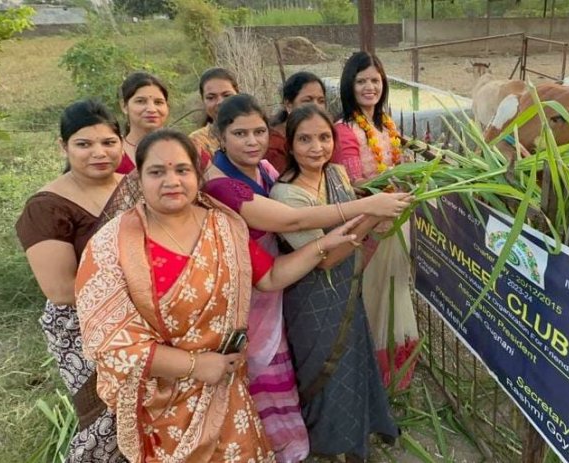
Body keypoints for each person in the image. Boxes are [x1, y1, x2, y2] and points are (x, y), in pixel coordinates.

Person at [75, 129, 362, 462]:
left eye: (182, 170)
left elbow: (269, 277)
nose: (171, 180)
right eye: (157, 171)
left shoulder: (224, 226)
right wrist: (195, 365)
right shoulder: (113, 245)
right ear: (139, 178)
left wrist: (324, 244)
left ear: (198, 175)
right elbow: (110, 341)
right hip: (162, 405)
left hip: (228, 392)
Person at [202, 93, 411, 462]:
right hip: (259, 292)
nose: (252, 141)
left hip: (286, 282)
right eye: (240, 134)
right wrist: (369, 210)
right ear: (220, 137)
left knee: (312, 368)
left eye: (259, 132)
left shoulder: (267, 170)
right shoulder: (225, 185)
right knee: (272, 378)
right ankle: (278, 449)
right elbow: (293, 223)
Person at [270, 104, 398, 461]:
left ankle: (356, 438)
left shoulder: (338, 174)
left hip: (347, 292)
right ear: (291, 146)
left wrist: (382, 201)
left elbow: (356, 213)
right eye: (305, 139)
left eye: (324, 137)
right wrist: (374, 212)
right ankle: (326, 447)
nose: (317, 147)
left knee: (353, 365)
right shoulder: (286, 196)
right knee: (324, 375)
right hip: (313, 303)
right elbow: (326, 258)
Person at [15, 99, 127, 462]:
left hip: (149, 317)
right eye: (84, 144)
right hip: (84, 327)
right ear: (63, 147)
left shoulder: (138, 186)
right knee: (107, 420)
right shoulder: (47, 207)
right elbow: (61, 289)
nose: (99, 153)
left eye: (109, 142)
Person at [332, 51, 420, 390]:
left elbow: (394, 168)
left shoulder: (387, 125)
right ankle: (368, 373)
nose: (369, 87)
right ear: (349, 86)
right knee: (371, 295)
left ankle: (395, 373)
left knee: (396, 288)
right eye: (361, 81)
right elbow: (356, 184)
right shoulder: (344, 130)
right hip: (370, 225)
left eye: (375, 80)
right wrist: (388, 196)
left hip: (396, 219)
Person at [267, 71, 328, 173]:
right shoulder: (274, 145)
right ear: (288, 105)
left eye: (321, 101)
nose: (315, 107)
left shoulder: (326, 135)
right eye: (307, 100)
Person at [117, 72, 170, 174]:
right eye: (141, 101)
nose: (151, 109)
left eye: (158, 102)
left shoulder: (185, 149)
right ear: (124, 106)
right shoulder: (112, 153)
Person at [189, 67, 239, 163]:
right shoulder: (197, 142)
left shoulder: (257, 131)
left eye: (227, 95)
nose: (220, 102)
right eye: (211, 97)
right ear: (203, 101)